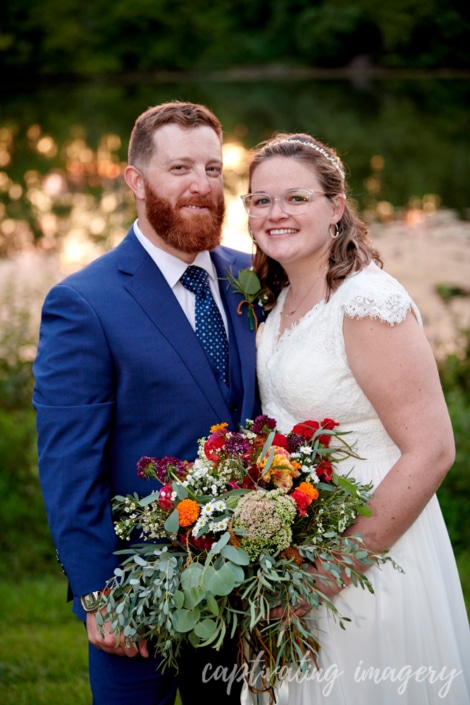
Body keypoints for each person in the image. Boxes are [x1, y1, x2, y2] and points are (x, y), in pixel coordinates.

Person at [33, 101, 260, 705]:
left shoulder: (257, 278)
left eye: (213, 169)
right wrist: (97, 593)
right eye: (180, 168)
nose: (201, 186)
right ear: (136, 180)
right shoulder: (84, 303)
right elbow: (68, 465)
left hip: (253, 589)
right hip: (137, 593)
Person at [242, 132, 470, 703]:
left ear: (336, 207)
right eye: (260, 200)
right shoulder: (278, 303)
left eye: (297, 198)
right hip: (297, 544)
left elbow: (433, 449)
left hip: (372, 550)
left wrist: (328, 574)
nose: (276, 214)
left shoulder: (367, 302)